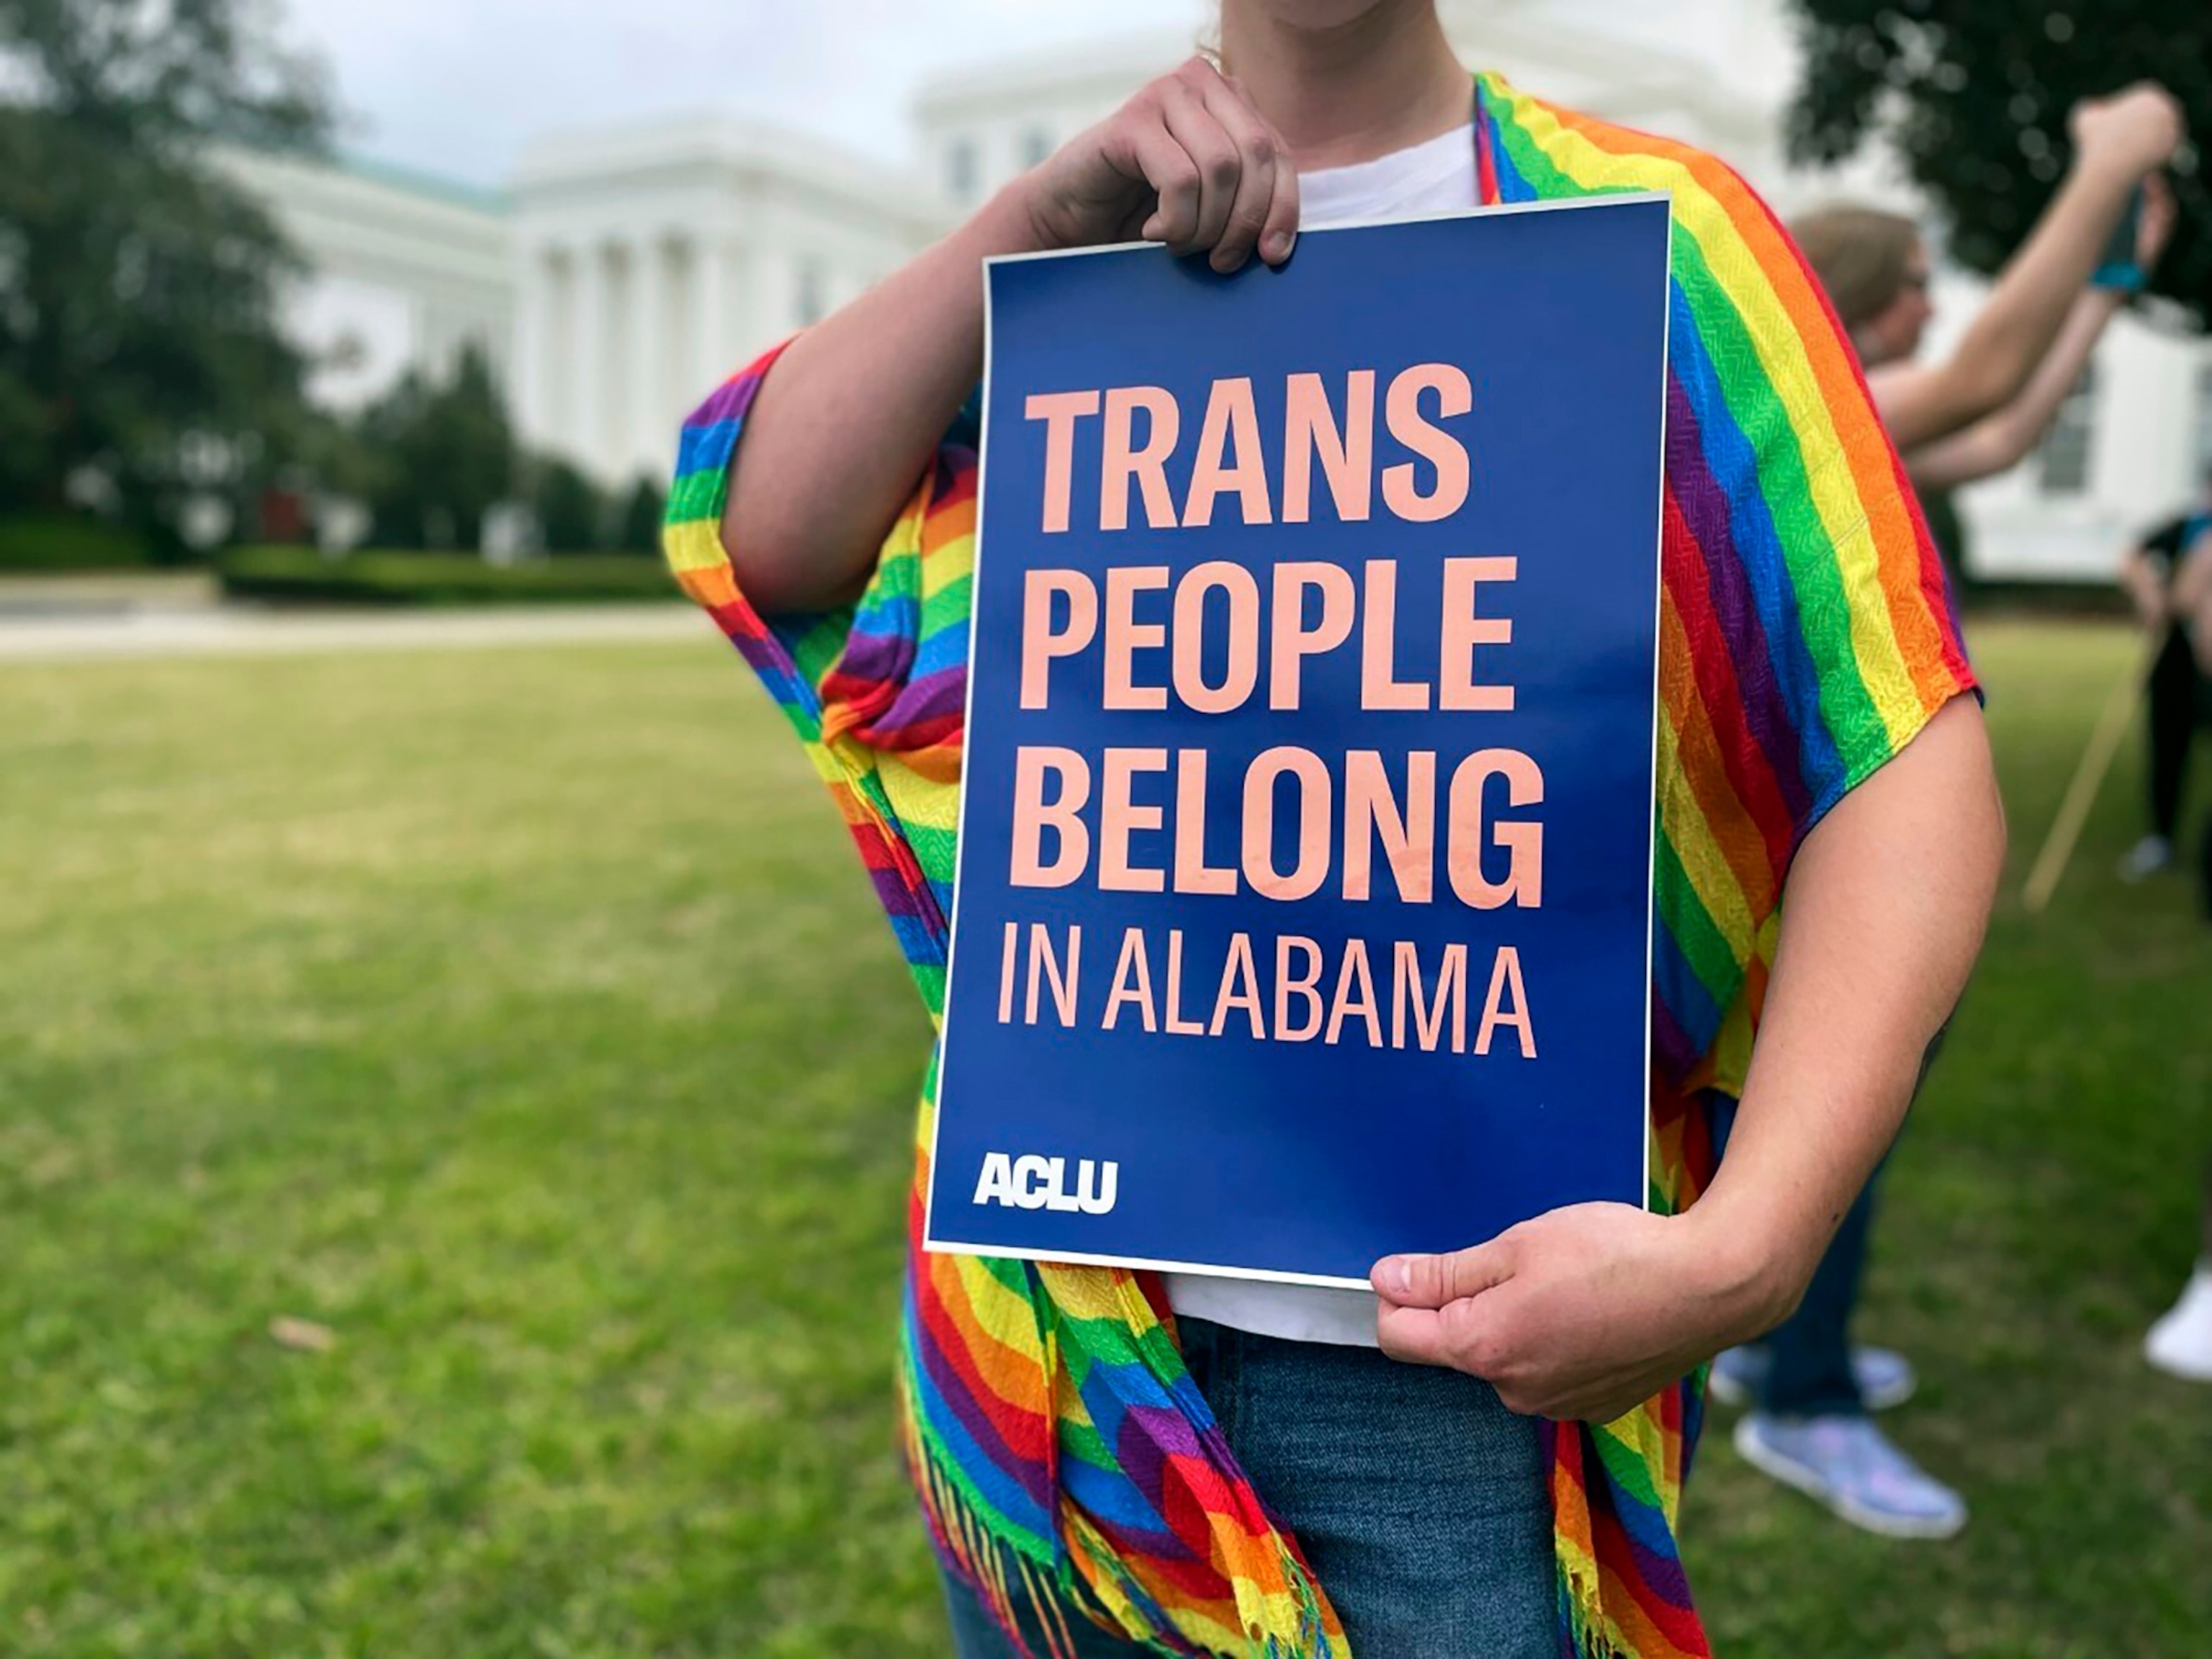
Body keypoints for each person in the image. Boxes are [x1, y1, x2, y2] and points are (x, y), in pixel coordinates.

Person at [664, 3, 2084, 1650]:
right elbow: (761, 541)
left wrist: (1753, 1250)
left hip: (1450, 1390)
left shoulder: (1656, 240)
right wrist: (1032, 223)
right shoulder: (1073, 268)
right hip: (1049, 1361)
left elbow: (1895, 736)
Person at [1707, 106, 2182, 1540]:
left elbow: (2009, 414)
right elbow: (1981, 371)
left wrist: (2105, 284)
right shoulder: (1816, 400)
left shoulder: (1869, 427)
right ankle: (1805, 1402)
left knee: (1826, 1104)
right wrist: (2107, 160)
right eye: (1915, 274)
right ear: (1858, 302)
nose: (1937, 296)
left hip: (1842, 833)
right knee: (1848, 1101)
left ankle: (1763, 1344)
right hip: (1823, 844)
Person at [2118, 470, 2212, 881]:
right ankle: (2161, 837)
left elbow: (2189, 594)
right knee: (2167, 744)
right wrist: (2148, 591)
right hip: (2175, 656)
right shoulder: (2188, 525)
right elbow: (2134, 556)